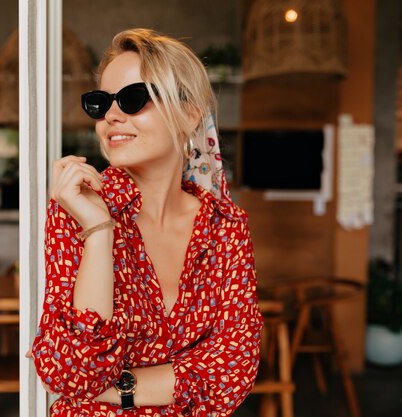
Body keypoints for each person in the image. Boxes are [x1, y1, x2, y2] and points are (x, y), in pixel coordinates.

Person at [30, 28, 263, 417]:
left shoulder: (226, 226)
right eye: (101, 103)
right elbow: (73, 372)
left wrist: (120, 389)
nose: (112, 116)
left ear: (189, 115)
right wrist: (99, 231)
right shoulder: (77, 210)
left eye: (133, 99)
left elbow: (234, 370)